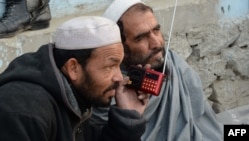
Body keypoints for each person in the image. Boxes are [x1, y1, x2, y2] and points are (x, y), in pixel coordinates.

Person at [89, 0, 224, 141]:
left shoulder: (173, 63)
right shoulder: (104, 91)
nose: (156, 43)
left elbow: (202, 123)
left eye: (156, 30)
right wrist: (127, 119)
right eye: (140, 37)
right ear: (120, 46)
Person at [0, 16, 149, 141]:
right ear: (73, 68)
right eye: (109, 66)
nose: (119, 77)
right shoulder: (24, 113)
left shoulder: (73, 96)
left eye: (119, 66)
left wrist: (127, 119)